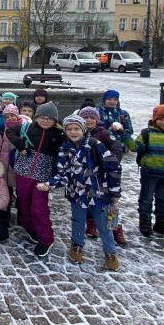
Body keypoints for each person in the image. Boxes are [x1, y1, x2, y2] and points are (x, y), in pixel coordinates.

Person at [37, 115, 121, 272]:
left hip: (99, 194)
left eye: (76, 128)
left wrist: (115, 193)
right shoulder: (64, 148)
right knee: (77, 221)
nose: (73, 132)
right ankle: (77, 246)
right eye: (69, 129)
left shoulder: (95, 145)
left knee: (103, 225)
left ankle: (110, 253)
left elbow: (114, 168)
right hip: (77, 193)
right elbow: (63, 173)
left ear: (83, 129)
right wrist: (49, 184)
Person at [6, 101, 65, 257]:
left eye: (49, 118)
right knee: (24, 206)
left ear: (55, 120)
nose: (46, 120)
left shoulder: (59, 135)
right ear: (37, 117)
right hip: (24, 172)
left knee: (38, 208)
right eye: (42, 117)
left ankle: (46, 239)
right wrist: (20, 145)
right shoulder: (28, 127)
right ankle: (31, 230)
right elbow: (10, 131)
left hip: (43, 177)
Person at [78, 106, 126, 245]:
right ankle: (91, 223)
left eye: (92, 118)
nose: (88, 120)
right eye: (85, 117)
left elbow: (117, 148)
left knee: (108, 204)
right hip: (85, 175)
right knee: (87, 200)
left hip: (102, 176)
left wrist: (109, 165)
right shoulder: (77, 132)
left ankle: (116, 228)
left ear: (97, 120)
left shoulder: (104, 133)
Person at [135, 104, 164, 237]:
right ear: (155, 119)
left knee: (162, 199)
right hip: (150, 173)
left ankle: (160, 223)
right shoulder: (147, 133)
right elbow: (136, 147)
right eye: (161, 119)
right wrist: (124, 136)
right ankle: (145, 223)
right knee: (146, 199)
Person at [0, 104, 23, 221]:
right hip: (4, 165)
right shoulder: (3, 129)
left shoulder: (23, 127)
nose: (10, 118)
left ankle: (21, 214)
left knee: (21, 192)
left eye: (12, 116)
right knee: (6, 191)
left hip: (19, 165)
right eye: (7, 116)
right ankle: (6, 211)